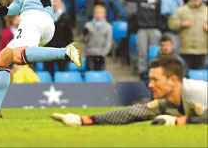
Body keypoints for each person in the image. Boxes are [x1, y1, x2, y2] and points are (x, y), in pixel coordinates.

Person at [52, 55, 207, 126]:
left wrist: (178, 121)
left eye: (155, 80)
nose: (150, 85)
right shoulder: (165, 103)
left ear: (173, 81)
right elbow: (132, 113)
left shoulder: (198, 92)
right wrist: (87, 120)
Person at [122, 0, 161, 79]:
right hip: (142, 28)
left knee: (154, 52)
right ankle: (142, 72)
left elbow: (160, 13)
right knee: (142, 51)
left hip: (154, 28)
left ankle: (155, 71)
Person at [169, 0, 208, 69]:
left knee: (200, 78)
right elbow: (171, 24)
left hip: (202, 51)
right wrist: (181, 24)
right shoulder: (181, 10)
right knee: (186, 77)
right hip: (185, 50)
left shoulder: (207, 11)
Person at [44, 0, 73, 76]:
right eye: (52, 1)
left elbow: (69, 36)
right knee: (48, 73)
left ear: (60, 3)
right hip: (48, 50)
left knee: (63, 72)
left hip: (62, 51)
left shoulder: (66, 18)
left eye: (56, 1)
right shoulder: (45, 17)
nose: (54, 3)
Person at [82, 4, 113, 71]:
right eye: (96, 12)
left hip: (101, 55)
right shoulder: (88, 25)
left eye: (101, 13)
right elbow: (84, 40)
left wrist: (103, 53)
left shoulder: (108, 27)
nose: (98, 15)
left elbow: (108, 42)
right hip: (90, 54)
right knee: (90, 73)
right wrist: (85, 34)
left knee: (100, 74)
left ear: (105, 15)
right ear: (94, 14)